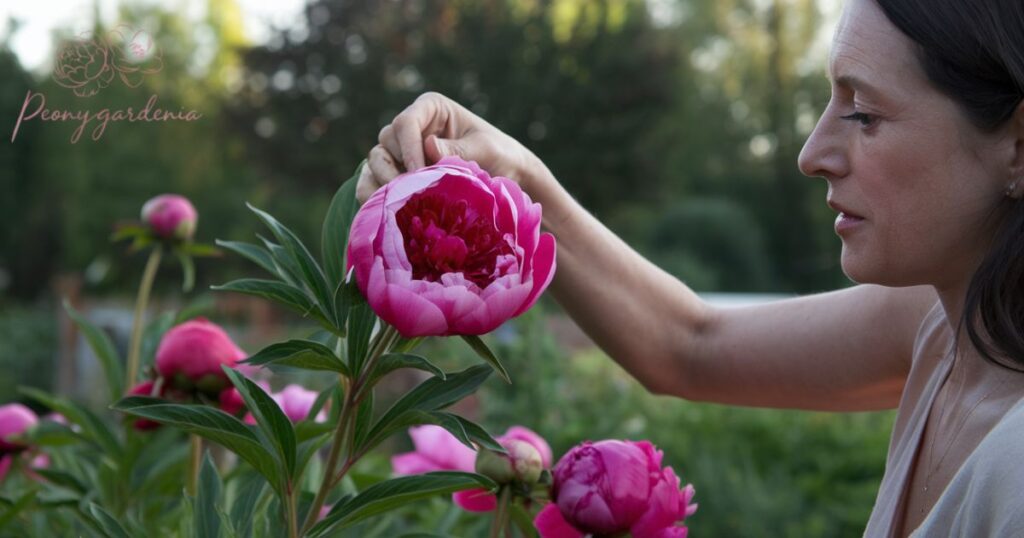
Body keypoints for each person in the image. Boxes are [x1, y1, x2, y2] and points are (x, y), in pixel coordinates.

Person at [356, 0, 1024, 535]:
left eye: (862, 113)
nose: (813, 153)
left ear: (1018, 147)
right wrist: (518, 178)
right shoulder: (945, 323)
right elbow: (691, 346)